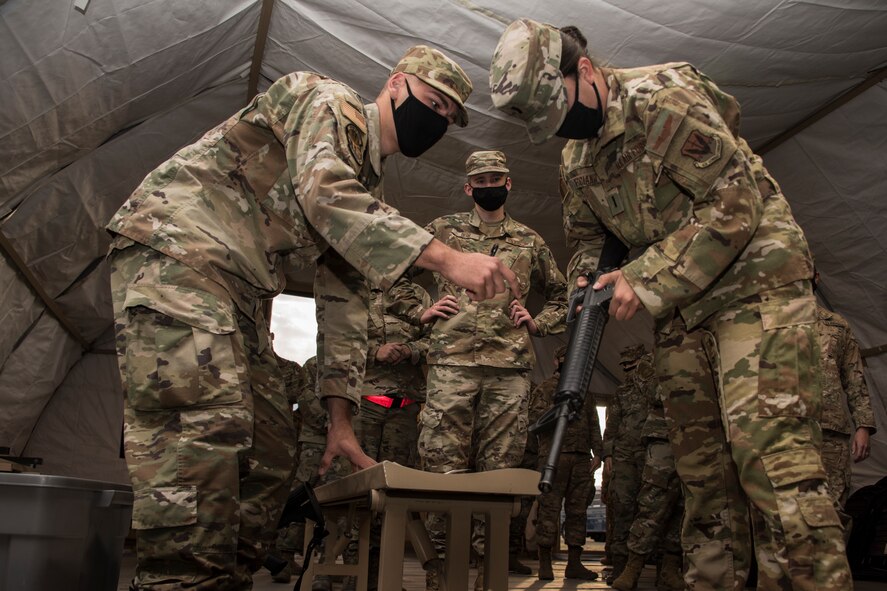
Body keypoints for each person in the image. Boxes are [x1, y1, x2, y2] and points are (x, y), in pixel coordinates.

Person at [108, 45, 521, 589]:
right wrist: (445, 256)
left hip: (240, 293)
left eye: (450, 116)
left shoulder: (366, 186)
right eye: (433, 101)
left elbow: (344, 304)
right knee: (202, 436)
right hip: (178, 256)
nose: (438, 119)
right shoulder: (327, 100)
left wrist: (340, 422)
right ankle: (178, 581)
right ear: (396, 84)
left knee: (274, 450)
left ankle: (223, 576)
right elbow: (324, 191)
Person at [490, 19, 851, 590]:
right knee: (703, 479)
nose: (558, 130)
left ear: (583, 71)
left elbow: (734, 204)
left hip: (753, 284)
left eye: (557, 110)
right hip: (682, 307)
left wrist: (642, 275)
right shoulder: (576, 160)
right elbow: (586, 241)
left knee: (773, 465)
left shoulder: (661, 100)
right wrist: (589, 287)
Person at [391, 149, 567, 590]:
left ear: (508, 184)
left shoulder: (530, 242)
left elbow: (565, 298)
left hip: (508, 371)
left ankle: (490, 580)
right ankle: (439, 578)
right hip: (451, 366)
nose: (489, 185)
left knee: (500, 477)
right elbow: (391, 272)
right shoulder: (442, 232)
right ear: (469, 187)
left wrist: (538, 321)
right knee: (442, 473)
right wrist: (422, 310)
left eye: (497, 178)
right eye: (480, 180)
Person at [530, 345, 603, 581]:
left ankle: (574, 563)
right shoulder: (546, 388)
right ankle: (544, 562)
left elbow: (594, 424)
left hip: (581, 458)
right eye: (565, 359)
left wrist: (599, 454)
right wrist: (559, 409)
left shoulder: (585, 393)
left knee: (578, 511)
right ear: (556, 361)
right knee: (548, 509)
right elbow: (534, 422)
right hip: (553, 457)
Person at [612, 357, 684, 591]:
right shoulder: (653, 360)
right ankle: (633, 567)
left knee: (683, 507)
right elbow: (653, 393)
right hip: (664, 435)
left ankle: (669, 570)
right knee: (653, 502)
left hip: (696, 435)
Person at [813, 273, 877, 531]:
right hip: (787, 431)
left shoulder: (836, 325)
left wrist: (864, 426)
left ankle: (832, 570)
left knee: (833, 510)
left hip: (831, 433)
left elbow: (854, 378)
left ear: (816, 277)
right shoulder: (769, 324)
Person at [600, 345, 654, 584]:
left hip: (651, 453)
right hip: (624, 456)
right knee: (622, 509)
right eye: (624, 366)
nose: (627, 371)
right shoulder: (621, 393)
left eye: (631, 365)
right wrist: (607, 456)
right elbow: (611, 427)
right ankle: (621, 568)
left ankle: (661, 569)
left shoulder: (653, 387)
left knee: (653, 508)